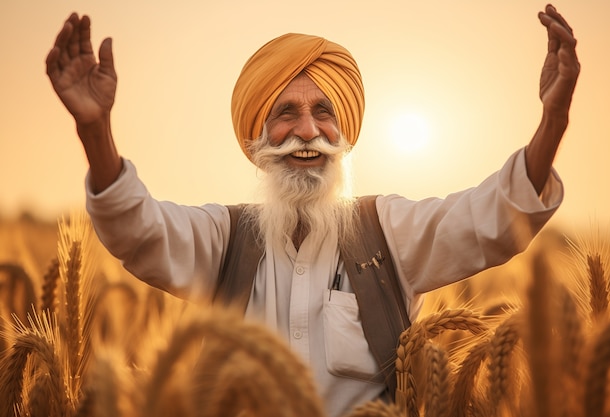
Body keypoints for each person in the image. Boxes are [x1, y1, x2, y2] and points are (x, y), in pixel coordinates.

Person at [46, 4, 579, 417]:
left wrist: (552, 121)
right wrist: (95, 131)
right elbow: (138, 230)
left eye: (323, 111)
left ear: (344, 131)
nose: (306, 132)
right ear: (256, 134)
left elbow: (491, 218)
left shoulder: (388, 232)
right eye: (285, 114)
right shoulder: (223, 239)